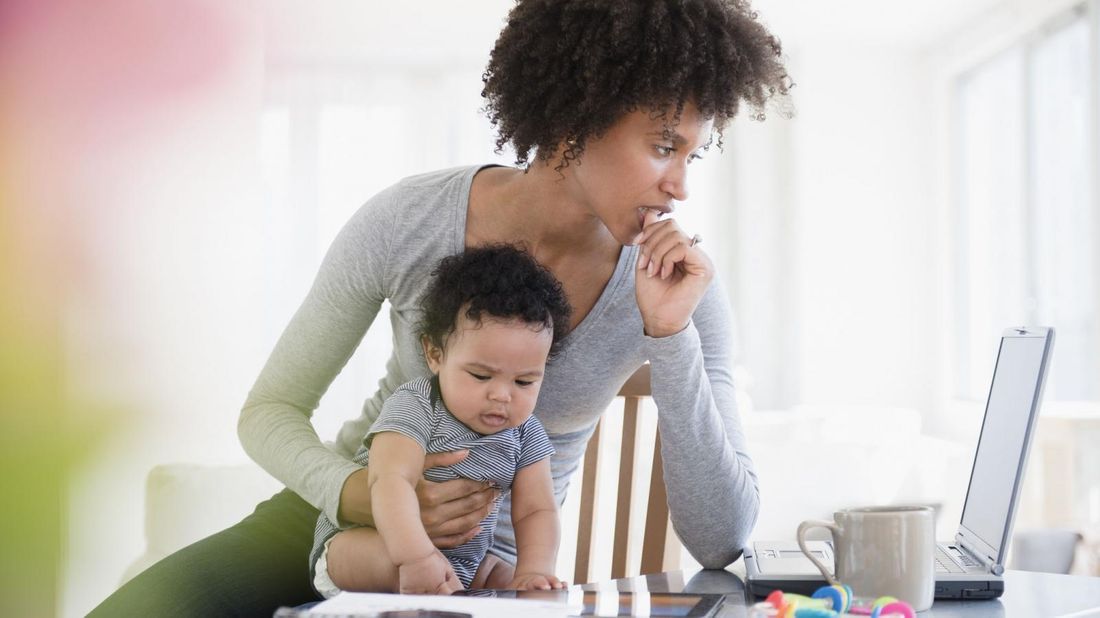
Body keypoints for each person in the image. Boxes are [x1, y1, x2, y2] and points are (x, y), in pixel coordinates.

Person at [90, 0, 790, 614]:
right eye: (664, 146)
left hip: (483, 575)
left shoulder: (680, 287)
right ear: (580, 115)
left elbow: (724, 535)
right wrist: (366, 496)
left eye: (691, 156)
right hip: (336, 524)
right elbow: (268, 412)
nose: (680, 187)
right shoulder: (407, 220)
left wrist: (668, 335)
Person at [311, 245, 570, 596]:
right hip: (368, 544)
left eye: (524, 381)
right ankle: (414, 574)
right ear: (435, 355)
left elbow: (537, 509)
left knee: (511, 581)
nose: (502, 395)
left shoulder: (525, 432)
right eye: (481, 376)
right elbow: (390, 481)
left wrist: (534, 570)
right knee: (392, 563)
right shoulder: (417, 404)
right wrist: (416, 557)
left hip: (464, 563)